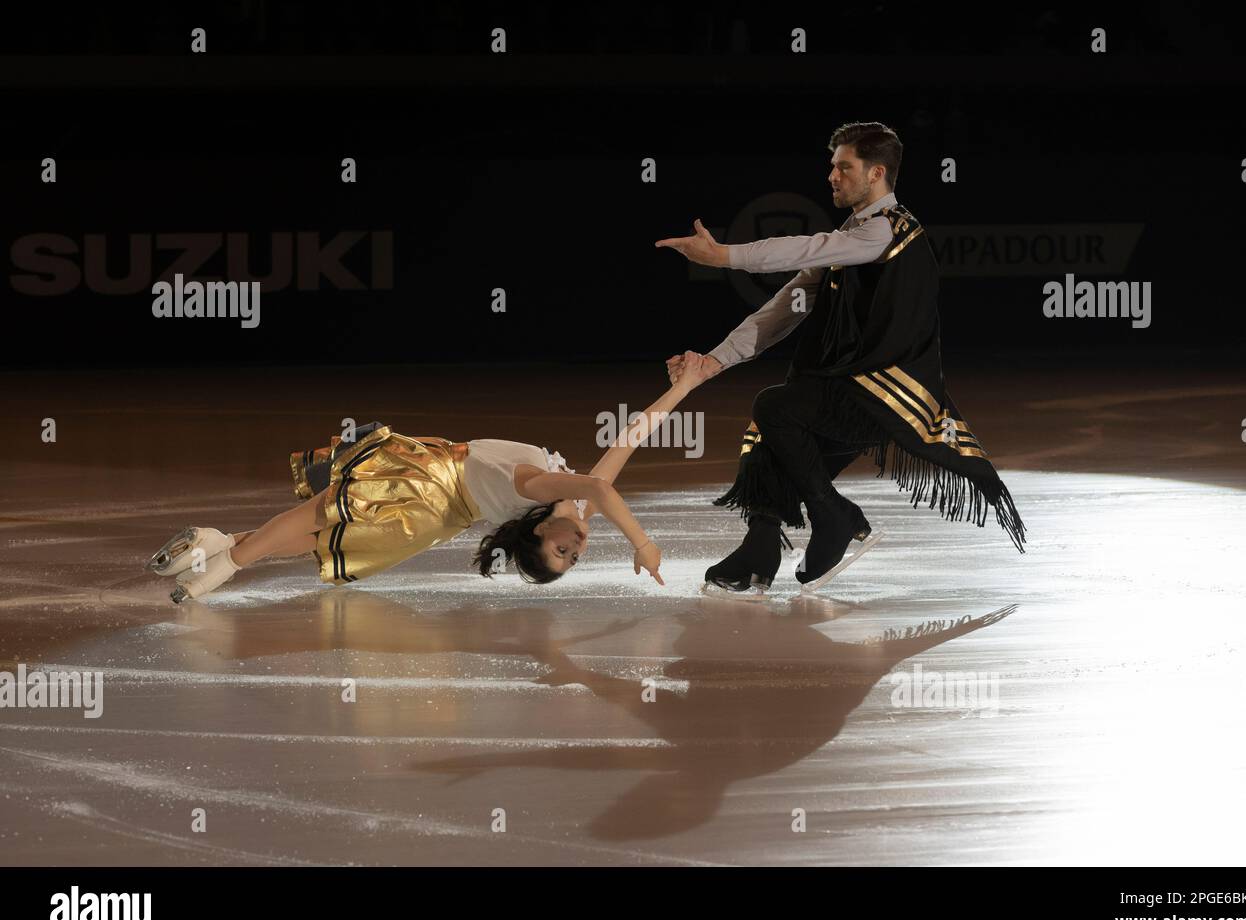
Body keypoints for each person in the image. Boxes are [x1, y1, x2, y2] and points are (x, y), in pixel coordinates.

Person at [655, 121, 1026, 595]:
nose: (831, 175)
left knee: (774, 407)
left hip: (883, 398)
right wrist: (713, 361)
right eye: (832, 166)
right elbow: (785, 307)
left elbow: (808, 248)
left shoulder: (886, 230)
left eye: (843, 167)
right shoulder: (853, 236)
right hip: (847, 387)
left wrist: (724, 256)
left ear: (876, 173)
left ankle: (833, 515)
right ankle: (759, 554)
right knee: (770, 449)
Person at [149, 355, 714, 603]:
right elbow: (629, 439)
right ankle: (219, 548)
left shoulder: (541, 491)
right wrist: (683, 387)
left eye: (561, 554)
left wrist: (642, 543)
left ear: (539, 532)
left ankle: (224, 560)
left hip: (433, 486)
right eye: (573, 557)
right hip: (440, 504)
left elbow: (601, 487)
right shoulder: (571, 500)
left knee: (320, 518)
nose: (577, 549)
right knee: (320, 532)